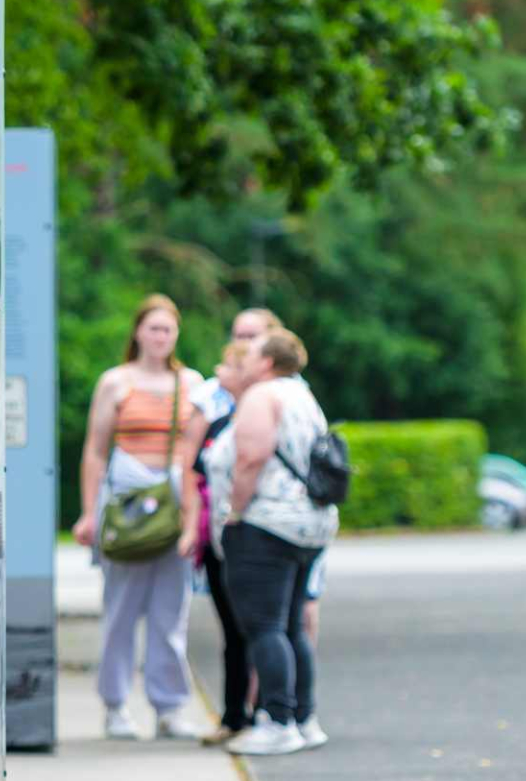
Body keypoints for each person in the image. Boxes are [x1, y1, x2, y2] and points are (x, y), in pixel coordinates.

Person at [72, 294, 208, 742]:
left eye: (168, 329)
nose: (161, 337)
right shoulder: (116, 382)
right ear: (138, 332)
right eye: (153, 328)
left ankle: (169, 708)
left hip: (174, 507)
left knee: (171, 615)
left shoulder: (192, 383)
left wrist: (196, 521)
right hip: (127, 505)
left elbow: (198, 454)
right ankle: (114, 706)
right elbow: (94, 451)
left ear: (177, 335)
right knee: (120, 612)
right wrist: (89, 513)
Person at [206, 328, 338, 756]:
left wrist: (236, 512)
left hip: (267, 524)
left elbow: (250, 457)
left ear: (266, 362)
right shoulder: (303, 395)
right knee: (292, 624)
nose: (244, 360)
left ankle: (277, 720)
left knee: (263, 626)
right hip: (308, 524)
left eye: (252, 354)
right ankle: (304, 717)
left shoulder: (262, 396)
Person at [186, 339, 257, 743]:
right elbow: (197, 475)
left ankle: (267, 712)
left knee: (258, 628)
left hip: (248, 538)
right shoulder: (219, 422)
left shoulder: (257, 418)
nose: (218, 371)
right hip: (218, 541)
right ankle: (235, 716)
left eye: (227, 366)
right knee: (232, 631)